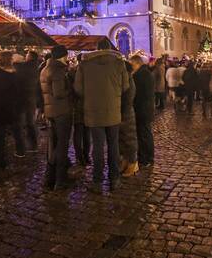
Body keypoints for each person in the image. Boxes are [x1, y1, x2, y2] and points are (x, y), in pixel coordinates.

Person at [73, 39, 129, 193]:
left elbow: (78, 88)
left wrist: (91, 95)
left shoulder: (84, 63)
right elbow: (126, 86)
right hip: (113, 110)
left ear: (96, 48)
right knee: (113, 146)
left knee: (97, 147)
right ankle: (114, 179)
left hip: (93, 111)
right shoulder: (119, 62)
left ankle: (97, 181)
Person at [40, 45, 73, 189]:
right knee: (62, 146)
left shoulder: (45, 69)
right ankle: (60, 180)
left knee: (53, 145)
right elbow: (59, 93)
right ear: (63, 56)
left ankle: (49, 178)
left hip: (50, 111)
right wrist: (70, 90)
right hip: (61, 111)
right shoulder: (58, 69)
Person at [130, 55, 155, 167]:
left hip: (142, 109)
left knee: (143, 134)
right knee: (146, 133)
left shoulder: (140, 75)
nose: (131, 67)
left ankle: (145, 158)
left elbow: (138, 94)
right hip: (146, 108)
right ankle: (148, 156)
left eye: (132, 65)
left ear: (137, 63)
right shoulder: (146, 73)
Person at [15, 51, 41, 152]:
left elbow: (19, 71)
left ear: (30, 57)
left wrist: (16, 62)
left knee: (26, 122)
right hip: (30, 97)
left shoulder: (28, 66)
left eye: (27, 55)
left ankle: (28, 145)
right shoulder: (34, 66)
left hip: (25, 97)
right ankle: (32, 144)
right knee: (29, 122)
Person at [119, 61, 138, 176]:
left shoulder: (129, 80)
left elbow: (128, 98)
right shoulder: (125, 79)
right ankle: (125, 161)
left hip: (126, 113)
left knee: (129, 139)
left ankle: (133, 163)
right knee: (122, 139)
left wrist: (123, 110)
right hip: (123, 112)